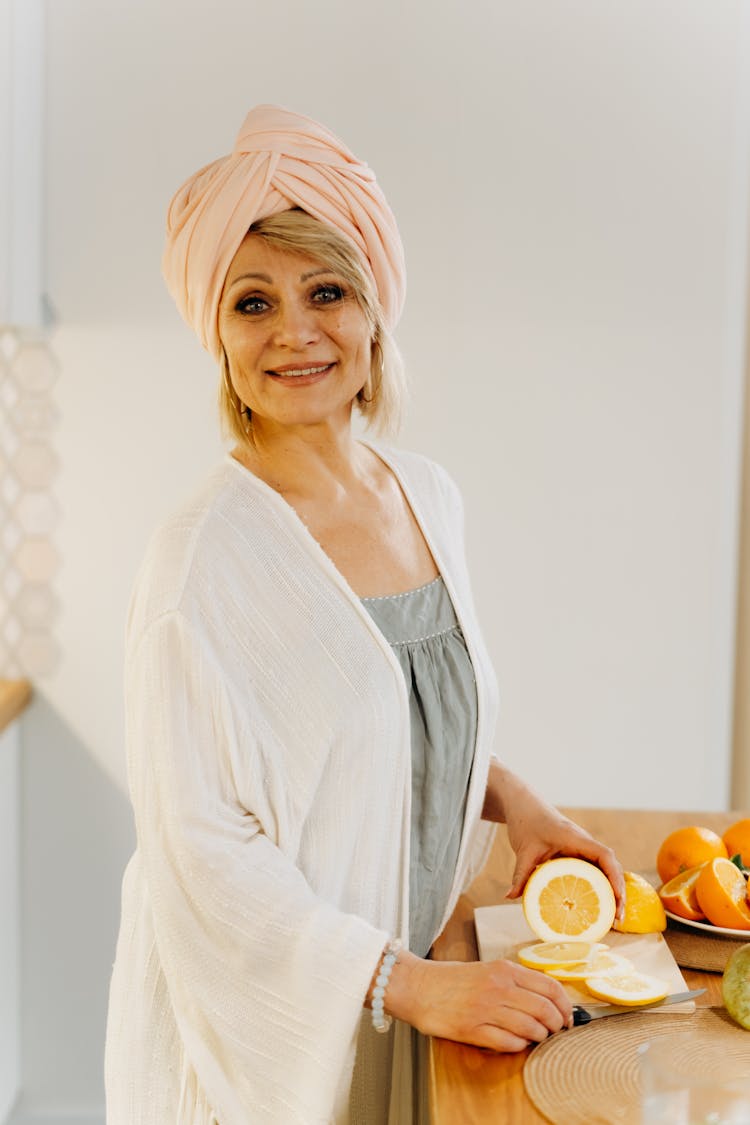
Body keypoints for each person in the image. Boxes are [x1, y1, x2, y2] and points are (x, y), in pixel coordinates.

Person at [105, 104, 624, 1125]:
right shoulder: (202, 561)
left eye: (326, 291)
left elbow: (381, 727)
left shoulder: (426, 495)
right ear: (216, 330)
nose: (294, 332)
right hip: (257, 1049)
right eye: (252, 302)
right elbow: (199, 851)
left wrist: (512, 800)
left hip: (403, 1001)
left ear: (376, 307)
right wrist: (407, 983)